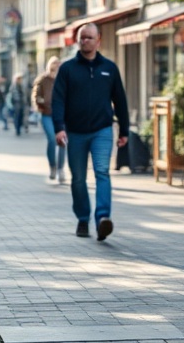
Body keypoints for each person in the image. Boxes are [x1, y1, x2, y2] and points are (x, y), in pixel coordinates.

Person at [52, 23, 129, 241]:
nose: (85, 41)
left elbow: (120, 100)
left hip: (102, 130)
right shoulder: (67, 69)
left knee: (102, 172)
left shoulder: (109, 68)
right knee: (78, 178)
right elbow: (58, 100)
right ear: (78, 41)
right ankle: (83, 218)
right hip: (74, 132)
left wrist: (124, 130)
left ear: (98, 40)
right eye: (82, 38)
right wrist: (59, 128)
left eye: (89, 37)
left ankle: (103, 218)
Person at [32, 56, 65, 184]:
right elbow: (36, 95)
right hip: (46, 114)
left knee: (62, 141)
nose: (56, 66)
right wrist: (42, 102)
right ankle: (53, 166)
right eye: (54, 64)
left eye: (58, 64)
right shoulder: (43, 79)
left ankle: (61, 169)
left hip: (62, 115)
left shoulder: (64, 79)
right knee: (52, 139)